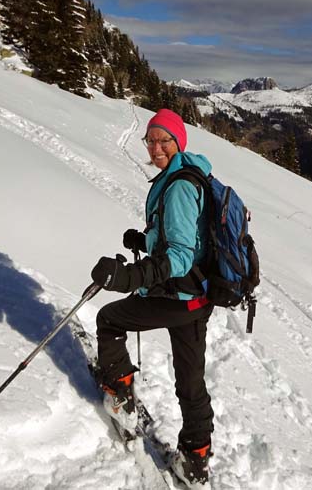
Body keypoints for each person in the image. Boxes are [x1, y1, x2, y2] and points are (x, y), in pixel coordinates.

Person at [90, 109, 214, 488]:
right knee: (191, 382)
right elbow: (189, 238)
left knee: (110, 320)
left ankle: (121, 395)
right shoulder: (195, 176)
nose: (156, 147)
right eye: (151, 140)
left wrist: (131, 275)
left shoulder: (177, 187)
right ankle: (196, 458)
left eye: (164, 140)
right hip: (199, 298)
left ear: (179, 143)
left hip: (177, 296)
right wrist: (144, 241)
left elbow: (179, 255)